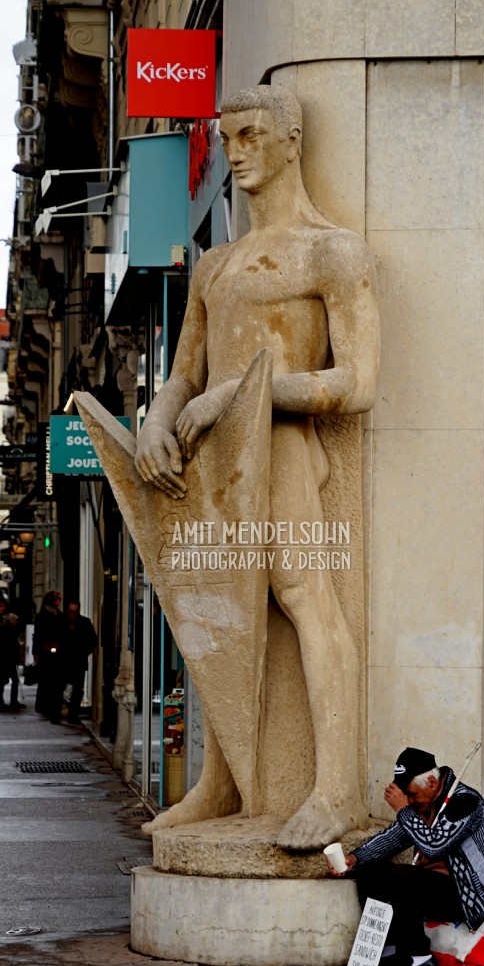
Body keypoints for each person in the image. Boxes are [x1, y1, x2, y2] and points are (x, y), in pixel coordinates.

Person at [127, 84, 380, 850]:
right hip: (212, 462)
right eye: (225, 137)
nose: (233, 152)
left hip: (283, 451)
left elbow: (358, 382)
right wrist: (157, 419)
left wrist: (244, 396)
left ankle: (333, 787)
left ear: (290, 138)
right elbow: (183, 374)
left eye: (248, 136)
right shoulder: (215, 265)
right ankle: (222, 780)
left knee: (304, 598)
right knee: (215, 612)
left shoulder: (329, 251)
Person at [329, 747, 484, 966]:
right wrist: (355, 859)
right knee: (370, 871)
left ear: (431, 781)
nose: (409, 801)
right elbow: (392, 838)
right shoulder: (422, 804)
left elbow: (434, 845)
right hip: (431, 888)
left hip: (466, 895)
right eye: (406, 797)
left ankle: (420, 958)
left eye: (412, 794)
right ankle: (387, 949)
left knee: (398, 876)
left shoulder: (466, 802)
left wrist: (402, 809)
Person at [32, 590, 66, 723]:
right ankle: (46, 706)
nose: (59, 601)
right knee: (47, 681)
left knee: (56, 683)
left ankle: (53, 708)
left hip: (58, 653)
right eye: (57, 599)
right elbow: (38, 635)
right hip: (46, 653)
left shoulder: (60, 615)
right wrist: (37, 652)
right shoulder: (43, 616)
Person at [62, 601, 97, 727]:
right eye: (71, 611)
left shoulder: (85, 623)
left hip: (78, 661)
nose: (73, 614)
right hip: (63, 661)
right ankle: (56, 714)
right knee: (59, 688)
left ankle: (73, 715)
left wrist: (84, 652)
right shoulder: (61, 621)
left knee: (77, 690)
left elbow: (93, 640)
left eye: (75, 611)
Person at [2, 611, 25, 712]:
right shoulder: (10, 630)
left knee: (13, 680)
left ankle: (13, 700)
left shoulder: (8, 629)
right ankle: (13, 701)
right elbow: (12, 645)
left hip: (9, 658)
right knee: (14, 680)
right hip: (10, 658)